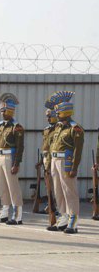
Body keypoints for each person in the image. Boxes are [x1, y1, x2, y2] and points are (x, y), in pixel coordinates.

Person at [47, 91, 82, 234]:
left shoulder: (75, 128)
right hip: (55, 160)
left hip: (66, 162)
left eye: (58, 112)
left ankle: (73, 219)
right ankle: (63, 216)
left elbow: (77, 150)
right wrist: (49, 163)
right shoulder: (58, 128)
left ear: (65, 112)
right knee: (58, 190)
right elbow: (51, 146)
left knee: (69, 191)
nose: (57, 115)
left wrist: (74, 167)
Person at [0, 94, 24, 225]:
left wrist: (16, 163)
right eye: (1, 110)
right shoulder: (0, 126)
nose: (2, 113)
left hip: (10, 157)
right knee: (3, 186)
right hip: (0, 157)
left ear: (11, 111)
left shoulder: (16, 127)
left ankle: (17, 215)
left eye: (5, 111)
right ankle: (4, 212)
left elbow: (20, 147)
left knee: (12, 186)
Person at [41, 104, 59, 229]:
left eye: (50, 116)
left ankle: (56, 206)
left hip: (53, 157)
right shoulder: (47, 129)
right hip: (46, 156)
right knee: (48, 184)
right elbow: (45, 145)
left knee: (56, 184)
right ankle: (50, 203)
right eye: (47, 116)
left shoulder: (58, 128)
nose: (48, 119)